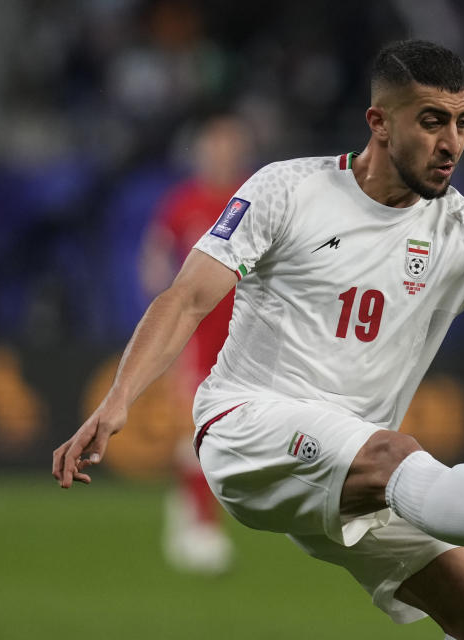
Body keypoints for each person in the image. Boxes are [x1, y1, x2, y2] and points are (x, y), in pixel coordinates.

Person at [53, 40, 464, 639]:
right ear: (380, 123)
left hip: (357, 471)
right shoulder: (285, 191)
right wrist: (117, 400)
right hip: (246, 427)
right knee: (394, 451)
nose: (452, 143)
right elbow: (184, 298)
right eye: (432, 121)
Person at [140, 114, 253, 573]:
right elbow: (153, 255)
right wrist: (165, 311)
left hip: (246, 333)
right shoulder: (183, 202)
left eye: (230, 145)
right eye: (215, 145)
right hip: (197, 333)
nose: (222, 153)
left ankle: (192, 514)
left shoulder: (253, 197)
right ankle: (200, 525)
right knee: (198, 429)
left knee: (231, 433)